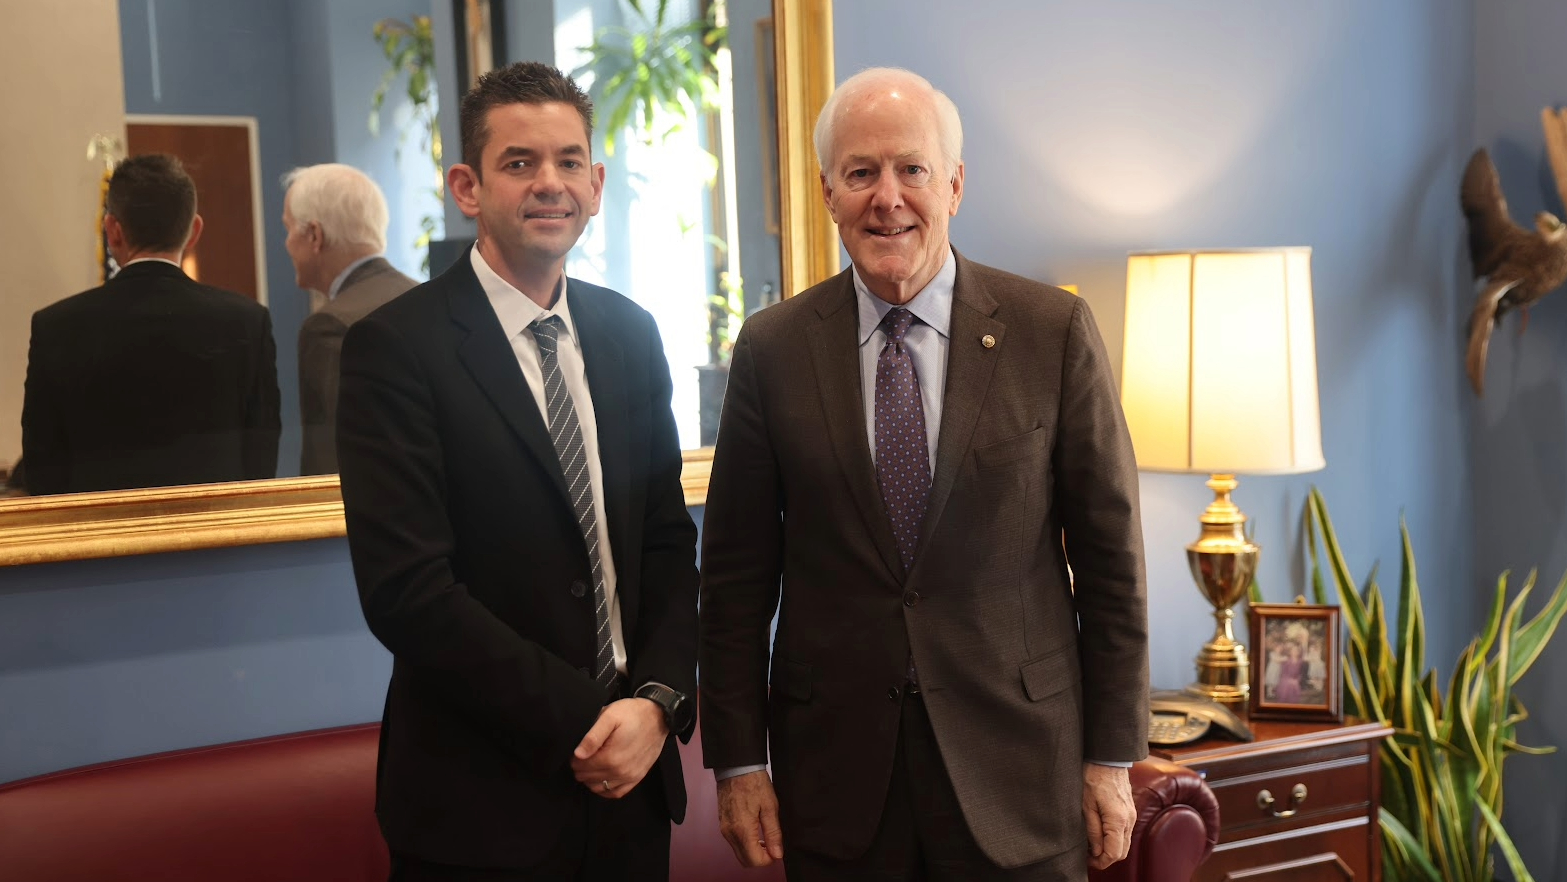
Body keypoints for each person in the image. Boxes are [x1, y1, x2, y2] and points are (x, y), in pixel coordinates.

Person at [698, 67, 1150, 881]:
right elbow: (733, 582)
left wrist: (1112, 757)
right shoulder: (772, 350)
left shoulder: (1051, 331)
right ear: (828, 192)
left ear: (954, 183)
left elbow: (1112, 565)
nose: (888, 197)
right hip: (837, 784)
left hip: (1019, 773)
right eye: (860, 172)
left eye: (910, 169)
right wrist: (738, 763)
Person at [335, 61, 698, 881]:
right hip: (479, 812)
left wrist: (659, 703)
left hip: (631, 799)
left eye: (569, 161)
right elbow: (409, 593)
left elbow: (669, 547)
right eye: (519, 162)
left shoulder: (629, 334)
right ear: (467, 187)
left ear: (597, 184)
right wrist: (595, 716)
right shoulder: (396, 350)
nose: (550, 184)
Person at [21, 153, 280, 496]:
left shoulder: (55, 328)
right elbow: (261, 463)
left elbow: (43, 472)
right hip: (216, 542)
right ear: (194, 231)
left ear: (113, 230)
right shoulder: (249, 322)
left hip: (98, 541)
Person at [282, 163, 418, 475]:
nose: (287, 243)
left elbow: (329, 462)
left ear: (314, 235)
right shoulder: (430, 300)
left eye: (288, 229)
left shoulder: (330, 327)